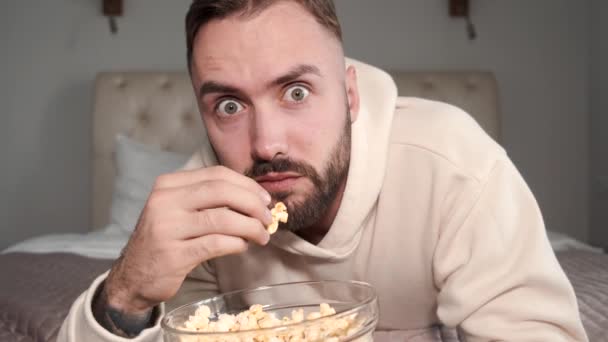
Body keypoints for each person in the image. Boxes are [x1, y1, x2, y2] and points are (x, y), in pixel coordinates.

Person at [58, 0, 588, 341]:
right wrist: (125, 292)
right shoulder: (202, 204)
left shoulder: (454, 164)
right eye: (229, 106)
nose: (267, 144)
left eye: (296, 92)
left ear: (350, 95)